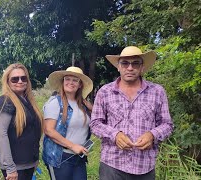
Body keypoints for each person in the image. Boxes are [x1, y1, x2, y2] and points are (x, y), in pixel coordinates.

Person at [90, 46, 174, 180]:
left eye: (135, 63)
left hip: (144, 166)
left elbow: (167, 124)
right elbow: (95, 123)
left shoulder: (157, 91)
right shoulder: (105, 92)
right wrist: (115, 135)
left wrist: (152, 135)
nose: (130, 68)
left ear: (142, 67)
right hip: (112, 165)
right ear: (118, 67)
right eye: (125, 63)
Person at [0, 63, 43, 180]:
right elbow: (0, 135)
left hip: (28, 163)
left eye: (23, 78)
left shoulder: (28, 101)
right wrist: (10, 168)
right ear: (7, 82)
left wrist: (34, 161)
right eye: (15, 79)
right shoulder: (5, 102)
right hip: (15, 167)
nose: (20, 81)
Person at [42, 66, 94, 180]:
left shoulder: (83, 105)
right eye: (67, 79)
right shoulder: (55, 103)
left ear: (80, 84)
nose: (71, 82)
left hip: (79, 157)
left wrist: (92, 109)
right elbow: (49, 130)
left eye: (75, 80)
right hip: (60, 157)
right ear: (63, 82)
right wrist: (73, 146)